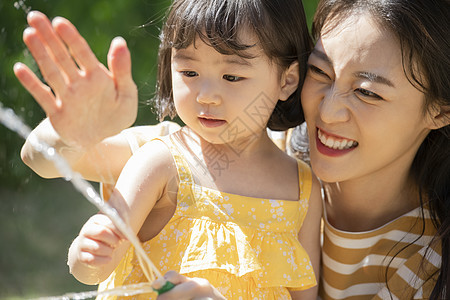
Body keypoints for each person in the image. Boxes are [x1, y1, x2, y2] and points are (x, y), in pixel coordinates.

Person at [15, 0, 322, 299]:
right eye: (189, 73)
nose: (207, 96)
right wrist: (88, 253)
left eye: (232, 77)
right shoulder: (163, 161)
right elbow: (92, 270)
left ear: (288, 79)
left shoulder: (302, 188)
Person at [144, 0, 450, 299]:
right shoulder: (255, 147)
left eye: (367, 92)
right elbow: (122, 154)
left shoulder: (431, 264)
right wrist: (98, 128)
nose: (327, 112)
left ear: (439, 111)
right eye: (320, 72)